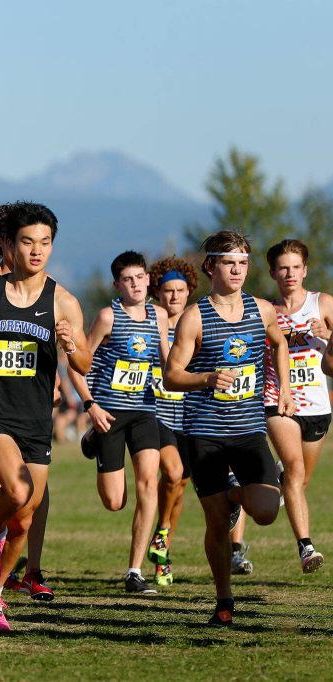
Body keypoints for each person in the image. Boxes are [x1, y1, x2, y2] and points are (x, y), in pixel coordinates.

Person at [0, 202, 91, 632]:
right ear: (9, 245)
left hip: (35, 418)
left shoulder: (64, 301)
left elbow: (83, 363)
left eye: (45, 243)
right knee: (16, 488)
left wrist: (69, 345)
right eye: (27, 242)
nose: (36, 251)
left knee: (25, 516)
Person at [164, 230, 288, 626]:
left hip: (250, 430)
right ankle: (224, 600)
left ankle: (236, 493)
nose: (237, 270)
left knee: (267, 511)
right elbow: (171, 376)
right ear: (211, 266)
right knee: (216, 522)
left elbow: (279, 343)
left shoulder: (263, 310)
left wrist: (283, 388)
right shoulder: (195, 316)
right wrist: (207, 378)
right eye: (229, 263)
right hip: (205, 433)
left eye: (243, 263)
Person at [70, 251, 169, 594]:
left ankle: (134, 571)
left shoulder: (159, 316)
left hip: (145, 410)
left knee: (148, 485)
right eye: (128, 279)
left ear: (147, 279)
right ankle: (93, 439)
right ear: (118, 284)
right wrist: (90, 405)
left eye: (140, 277)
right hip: (108, 413)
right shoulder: (107, 317)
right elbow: (77, 364)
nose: (136, 284)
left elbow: (169, 364)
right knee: (114, 502)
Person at [264, 239, 331, 573]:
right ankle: (306, 547)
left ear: (305, 270)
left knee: (300, 482)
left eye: (295, 267)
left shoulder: (324, 304)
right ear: (273, 272)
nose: (289, 273)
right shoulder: (265, 312)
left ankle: (269, 479)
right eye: (282, 268)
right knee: (295, 468)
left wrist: (331, 336)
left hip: (317, 406)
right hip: (280, 402)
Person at [144, 256, 198, 586]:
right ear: (157, 292)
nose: (174, 297)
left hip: (190, 416)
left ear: (189, 291)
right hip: (156, 411)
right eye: (167, 290)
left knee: (179, 488)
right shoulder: (148, 322)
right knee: (172, 473)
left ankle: (162, 551)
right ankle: (161, 532)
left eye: (180, 290)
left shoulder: (198, 323)